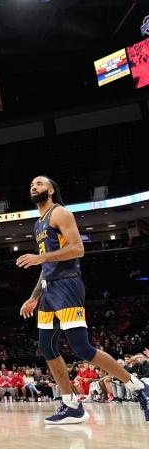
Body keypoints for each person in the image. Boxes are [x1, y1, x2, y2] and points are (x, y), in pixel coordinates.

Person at [17, 175, 149, 424]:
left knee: (81, 348)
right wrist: (33, 297)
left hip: (67, 285)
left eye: (39, 183)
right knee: (46, 347)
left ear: (51, 190)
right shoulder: (38, 224)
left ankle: (138, 386)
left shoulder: (60, 213)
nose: (34, 186)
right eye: (31, 184)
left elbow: (78, 249)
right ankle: (70, 406)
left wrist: (40, 258)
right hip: (48, 288)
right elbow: (46, 266)